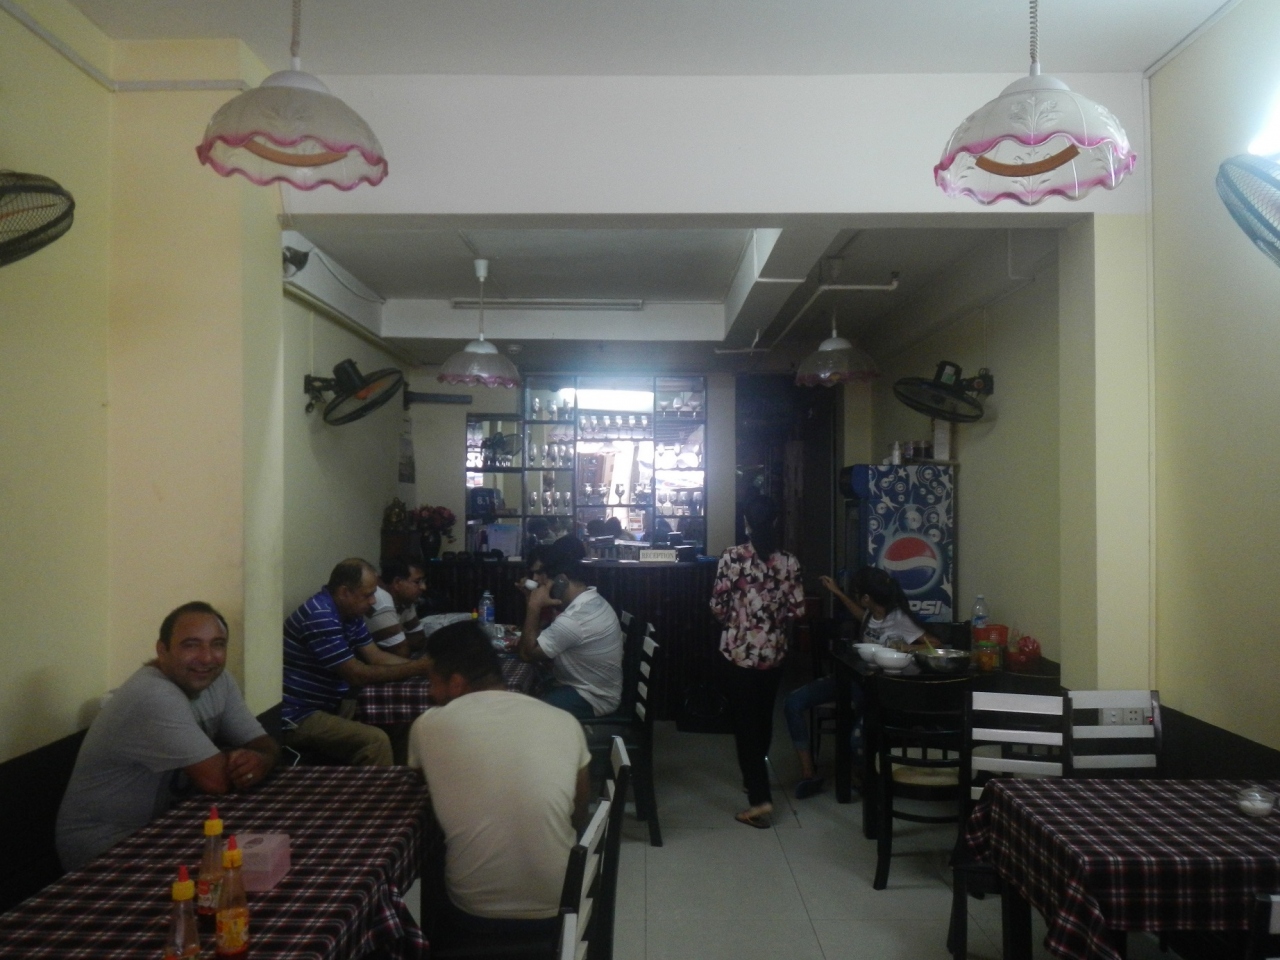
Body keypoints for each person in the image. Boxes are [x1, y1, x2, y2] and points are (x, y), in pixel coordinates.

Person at [56, 601, 279, 871]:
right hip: (105, 846)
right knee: (237, 876)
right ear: (163, 651)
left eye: (217, 644)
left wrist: (262, 758)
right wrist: (254, 761)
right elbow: (217, 781)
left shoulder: (219, 681)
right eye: (191, 645)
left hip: (167, 828)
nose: (207, 658)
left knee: (273, 853)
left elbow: (262, 743)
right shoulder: (154, 696)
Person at [408, 620, 590, 940]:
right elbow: (579, 815)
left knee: (435, 855)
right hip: (564, 904)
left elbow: (424, 782)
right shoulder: (565, 722)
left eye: (431, 681)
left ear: (456, 683)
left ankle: (435, 945)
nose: (429, 692)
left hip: (475, 914)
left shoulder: (428, 726)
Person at [784, 566, 939, 799]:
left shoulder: (899, 619)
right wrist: (837, 592)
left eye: (857, 593)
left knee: (857, 736)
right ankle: (809, 774)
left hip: (884, 690)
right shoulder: (871, 615)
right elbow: (860, 614)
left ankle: (866, 778)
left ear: (867, 598)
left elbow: (935, 644)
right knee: (793, 702)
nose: (856, 596)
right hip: (855, 679)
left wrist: (905, 646)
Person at [282, 557, 434, 766]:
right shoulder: (321, 616)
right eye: (368, 594)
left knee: (403, 719)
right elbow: (356, 674)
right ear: (345, 592)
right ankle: (381, 787)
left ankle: (401, 781)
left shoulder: (350, 612)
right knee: (375, 741)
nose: (372, 601)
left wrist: (422, 669)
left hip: (333, 702)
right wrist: (417, 667)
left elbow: (376, 656)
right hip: (298, 713)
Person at [710, 496, 805, 829]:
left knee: (745, 724)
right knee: (763, 719)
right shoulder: (789, 561)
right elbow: (798, 610)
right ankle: (754, 780)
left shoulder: (732, 557)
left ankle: (760, 799)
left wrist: (739, 620)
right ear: (776, 522)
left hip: (739, 652)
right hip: (774, 653)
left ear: (746, 522)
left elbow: (718, 606)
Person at [513, 535, 623, 719]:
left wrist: (533, 606)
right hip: (587, 686)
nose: (540, 587)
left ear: (562, 580)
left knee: (525, 712)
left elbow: (526, 654)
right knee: (529, 691)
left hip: (592, 697)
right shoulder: (590, 600)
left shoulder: (575, 618)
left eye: (545, 583)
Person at [366, 558, 428, 657]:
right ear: (397, 583)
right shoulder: (381, 600)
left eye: (423, 581)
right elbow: (402, 652)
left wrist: (401, 640)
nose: (424, 587)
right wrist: (402, 641)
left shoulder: (405, 599)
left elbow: (419, 639)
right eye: (417, 582)